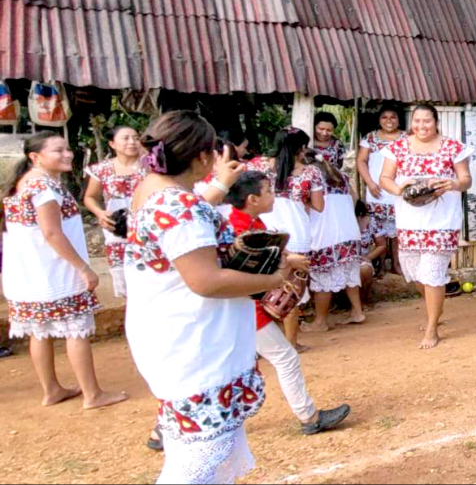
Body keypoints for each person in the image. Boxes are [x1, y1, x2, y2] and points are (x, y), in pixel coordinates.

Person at [123, 111, 291, 483]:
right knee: (197, 459)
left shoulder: (152, 188)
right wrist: (275, 277)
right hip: (192, 340)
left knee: (204, 453)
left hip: (174, 329)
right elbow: (206, 280)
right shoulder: (177, 205)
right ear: (202, 157)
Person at [2, 133, 130, 410]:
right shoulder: (44, 188)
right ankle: (92, 394)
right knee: (76, 330)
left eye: (67, 148)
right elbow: (52, 233)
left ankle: (52, 390)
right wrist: (83, 268)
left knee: (40, 332)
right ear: (35, 157)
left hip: (30, 275)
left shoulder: (23, 184)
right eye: (58, 150)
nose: (67, 154)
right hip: (56, 273)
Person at [225, 171, 351, 436]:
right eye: (268, 191)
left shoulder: (246, 222)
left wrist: (288, 258)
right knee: (285, 358)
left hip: (238, 309)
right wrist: (285, 267)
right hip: (243, 309)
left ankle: (164, 430)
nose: (274, 196)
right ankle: (309, 417)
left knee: (224, 366)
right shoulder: (240, 228)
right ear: (252, 199)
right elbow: (252, 271)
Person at [379, 104, 472, 349]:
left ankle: (432, 328)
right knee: (416, 274)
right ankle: (436, 311)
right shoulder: (397, 147)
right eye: (417, 121)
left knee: (431, 274)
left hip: (442, 222)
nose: (421, 126)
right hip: (409, 222)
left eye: (427, 121)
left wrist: (451, 184)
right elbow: (385, 178)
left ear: (436, 121)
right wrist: (398, 189)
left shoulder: (454, 147)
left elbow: (465, 180)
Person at [245, 128, 325, 345]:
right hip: (297, 235)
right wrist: (301, 201)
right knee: (290, 292)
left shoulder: (256, 166)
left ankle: (260, 342)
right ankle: (292, 343)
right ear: (301, 148)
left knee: (261, 288)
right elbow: (319, 205)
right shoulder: (310, 173)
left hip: (265, 235)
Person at [306, 113, 365, 330]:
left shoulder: (312, 177)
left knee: (325, 273)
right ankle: (357, 312)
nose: (324, 133)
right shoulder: (342, 178)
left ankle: (320, 321)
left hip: (327, 231)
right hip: (347, 230)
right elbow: (354, 198)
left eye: (328, 130)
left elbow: (314, 204)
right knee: (349, 269)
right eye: (321, 129)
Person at [83, 126, 146, 298]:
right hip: (117, 228)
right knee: (124, 278)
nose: (132, 142)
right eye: (125, 138)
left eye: (135, 137)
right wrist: (100, 213)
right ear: (112, 144)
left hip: (147, 225)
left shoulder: (151, 166)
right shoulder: (102, 169)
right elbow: (90, 197)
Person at [357, 103, 404, 276]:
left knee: (398, 231)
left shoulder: (406, 138)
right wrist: (370, 183)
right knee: (379, 231)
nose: (389, 121)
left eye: (393, 117)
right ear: (379, 120)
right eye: (384, 117)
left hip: (398, 190)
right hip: (376, 191)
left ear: (399, 120)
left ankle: (396, 264)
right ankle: (381, 266)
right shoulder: (370, 138)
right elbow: (361, 161)